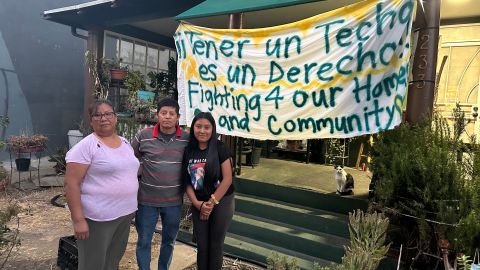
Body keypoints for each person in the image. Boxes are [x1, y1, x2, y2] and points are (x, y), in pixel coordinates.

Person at [64, 99, 139, 270]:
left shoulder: (125, 143)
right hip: (98, 219)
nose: (103, 118)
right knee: (93, 264)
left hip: (124, 215)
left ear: (115, 117)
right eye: (97, 115)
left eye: (108, 114)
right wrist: (78, 220)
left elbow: (127, 173)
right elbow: (71, 184)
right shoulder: (85, 147)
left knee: (113, 261)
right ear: (91, 121)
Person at [132, 98, 189, 270]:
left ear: (178, 117)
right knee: (143, 241)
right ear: (157, 115)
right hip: (146, 200)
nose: (167, 117)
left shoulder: (186, 139)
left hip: (173, 201)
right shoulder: (144, 135)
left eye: (172, 114)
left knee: (169, 241)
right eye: (163, 113)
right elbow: (129, 157)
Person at [182, 111, 234, 270]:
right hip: (199, 202)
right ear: (193, 128)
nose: (202, 131)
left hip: (221, 201)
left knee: (215, 246)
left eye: (207, 127)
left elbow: (227, 179)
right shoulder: (189, 150)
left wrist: (211, 203)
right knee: (202, 246)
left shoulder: (220, 148)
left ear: (213, 129)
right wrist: (197, 204)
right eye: (198, 126)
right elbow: (186, 181)